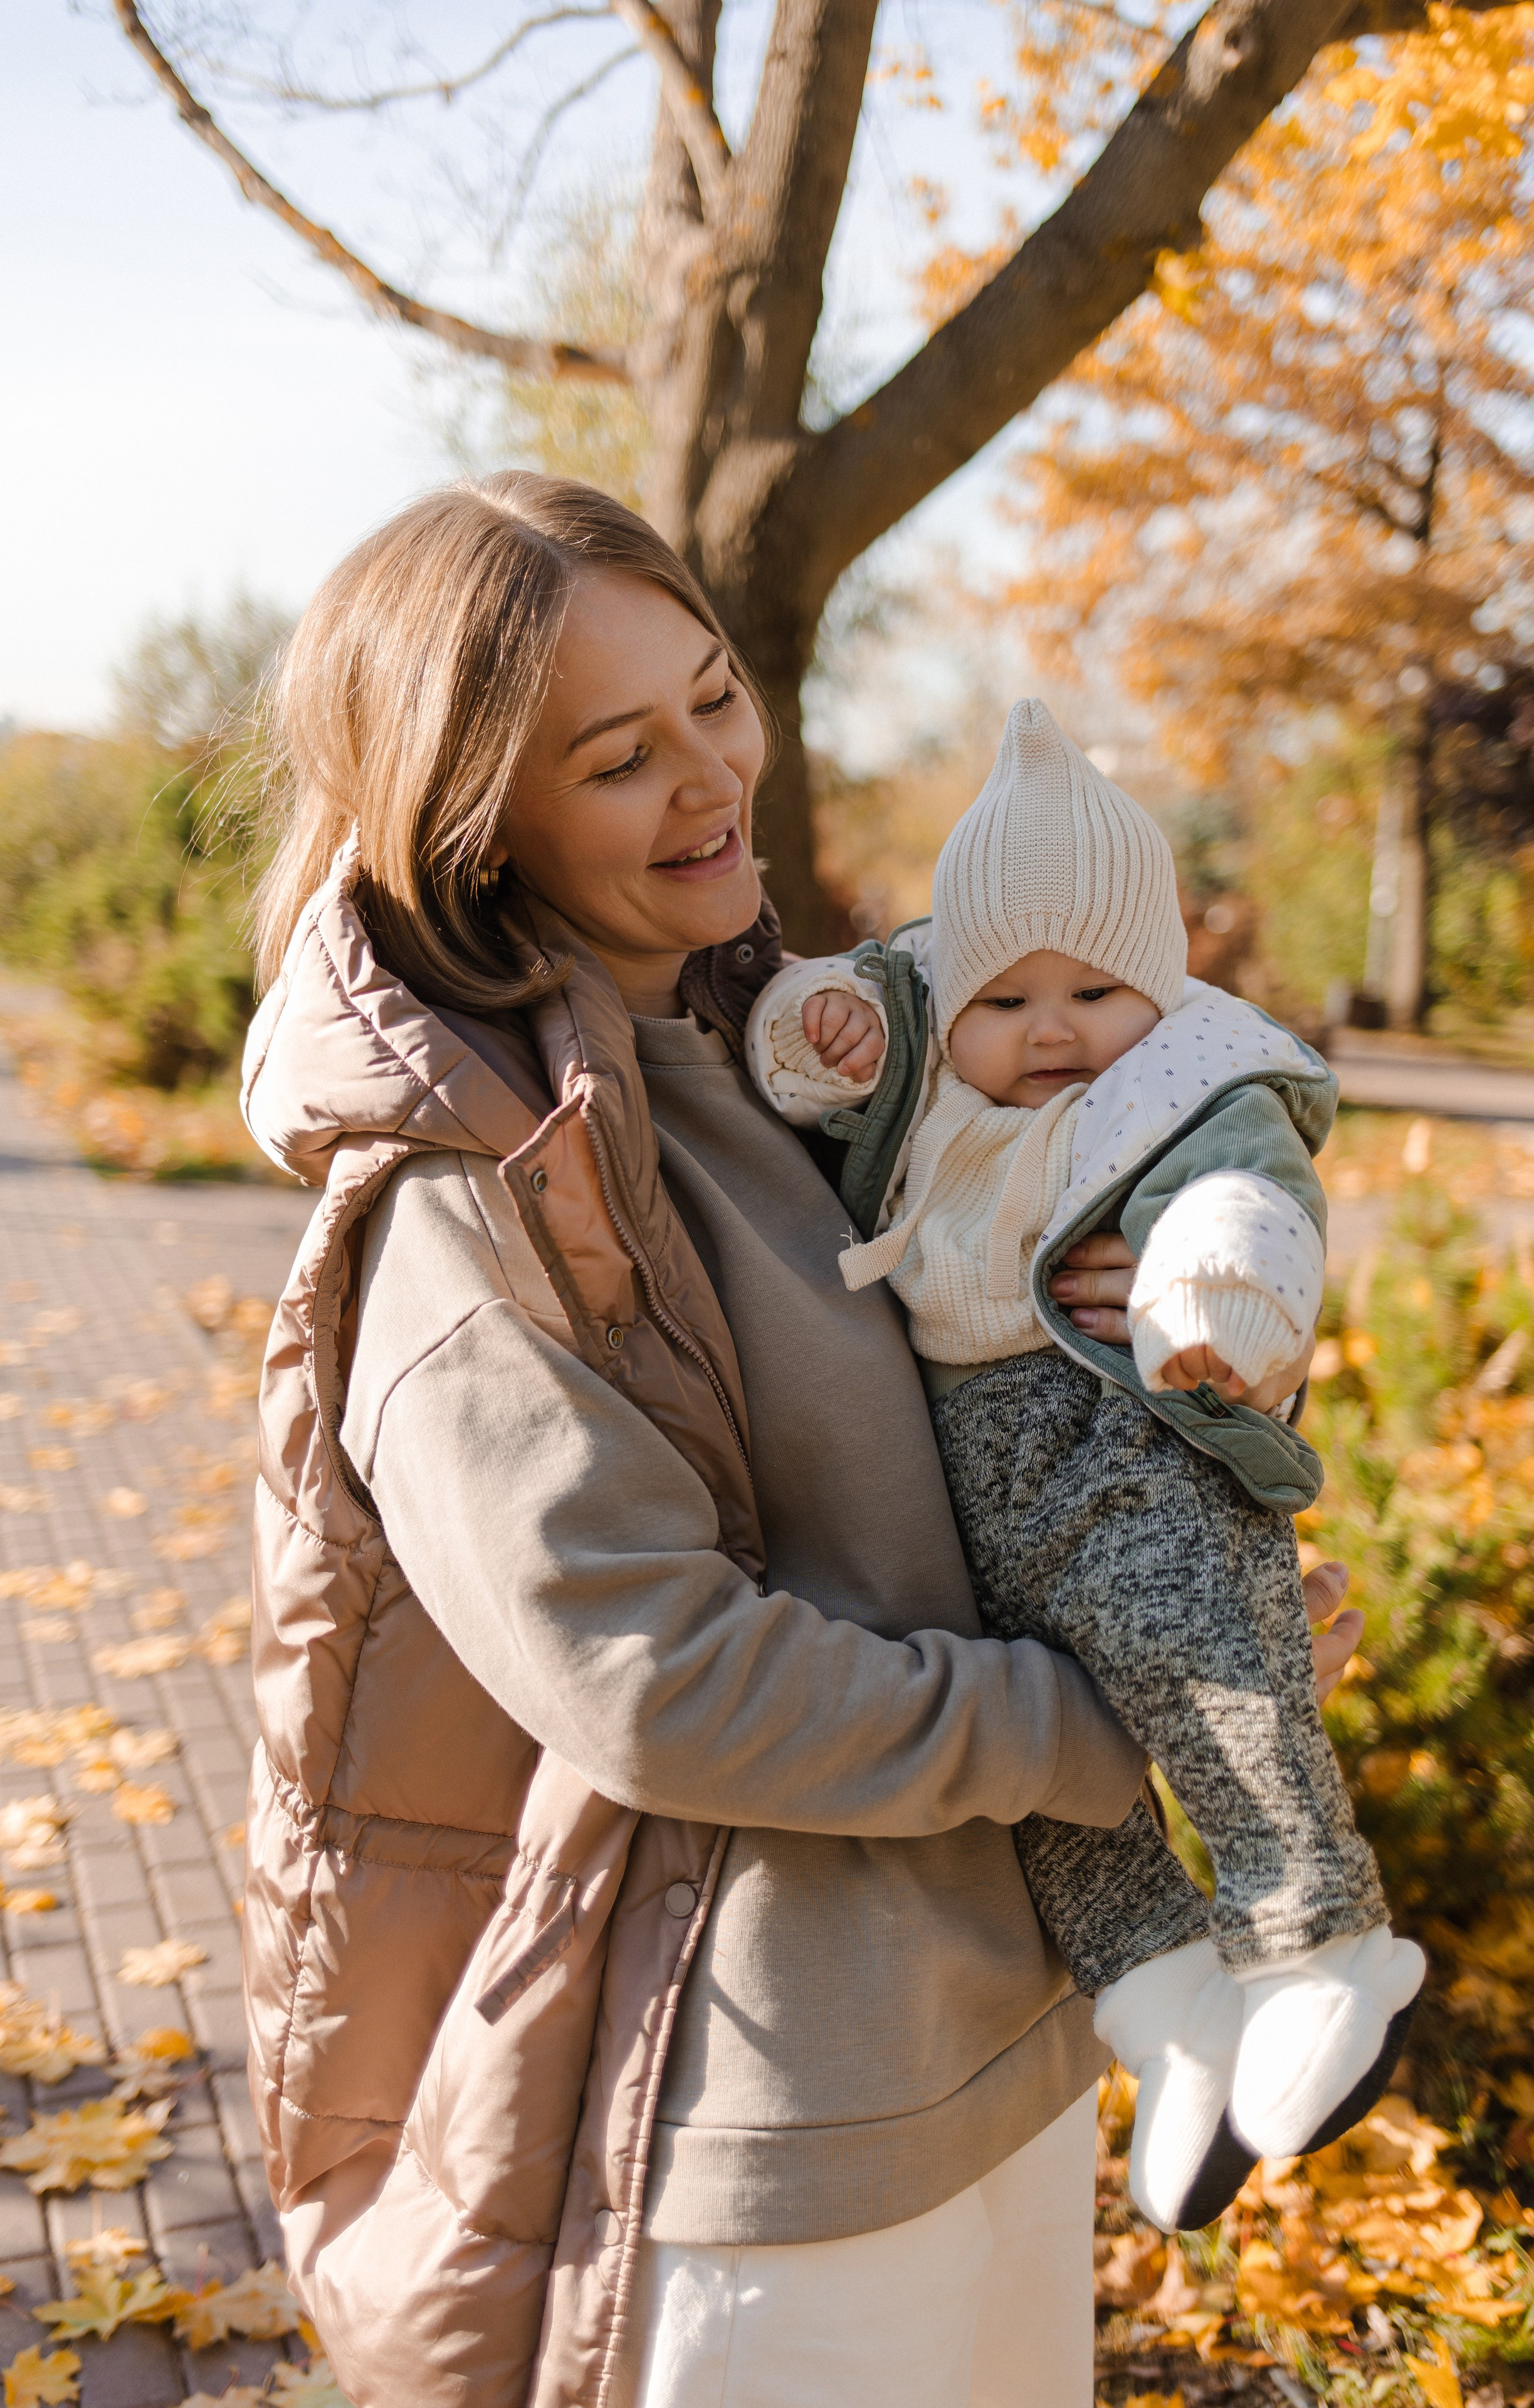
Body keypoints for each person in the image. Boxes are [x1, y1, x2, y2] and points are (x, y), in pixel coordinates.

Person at [238, 472, 1360, 2408]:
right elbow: (653, 1676)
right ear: (473, 817)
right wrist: (1106, 1727)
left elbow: (963, 1467)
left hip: (1019, 2033)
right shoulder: (469, 1200)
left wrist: (1183, 1372)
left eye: (714, 699)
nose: (710, 780)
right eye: (619, 756)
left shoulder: (811, 1065)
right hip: (778, 2136)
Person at [743, 698, 1421, 2236]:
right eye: (1005, 997)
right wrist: (822, 1033)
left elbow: (1243, 1206)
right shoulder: (935, 1084)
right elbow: (808, 1041)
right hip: (973, 1520)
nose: (1048, 1030)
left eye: (1095, 988)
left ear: (1163, 987)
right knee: (1049, 1801)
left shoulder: (1177, 1092)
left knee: (1217, 1679)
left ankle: (1318, 1941)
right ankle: (1166, 1997)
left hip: (1127, 1450)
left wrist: (1207, 1299)